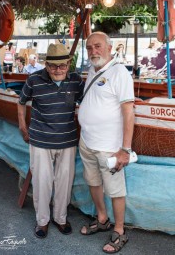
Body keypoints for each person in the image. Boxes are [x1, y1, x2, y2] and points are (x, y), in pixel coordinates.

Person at [18, 43, 84, 239]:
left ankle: (61, 218)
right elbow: (21, 102)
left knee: (65, 181)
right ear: (46, 64)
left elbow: (88, 103)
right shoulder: (34, 79)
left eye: (62, 66)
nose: (58, 70)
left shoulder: (76, 81)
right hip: (40, 140)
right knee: (41, 182)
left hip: (67, 140)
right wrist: (22, 126)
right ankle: (42, 221)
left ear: (69, 64)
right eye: (53, 66)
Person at [78, 32, 135, 254]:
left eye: (98, 46)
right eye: (90, 47)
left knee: (115, 190)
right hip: (87, 142)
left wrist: (125, 150)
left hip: (109, 147)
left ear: (110, 48)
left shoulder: (119, 72)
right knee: (93, 182)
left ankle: (119, 230)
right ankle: (102, 218)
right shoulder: (92, 70)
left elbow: (128, 113)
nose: (94, 51)